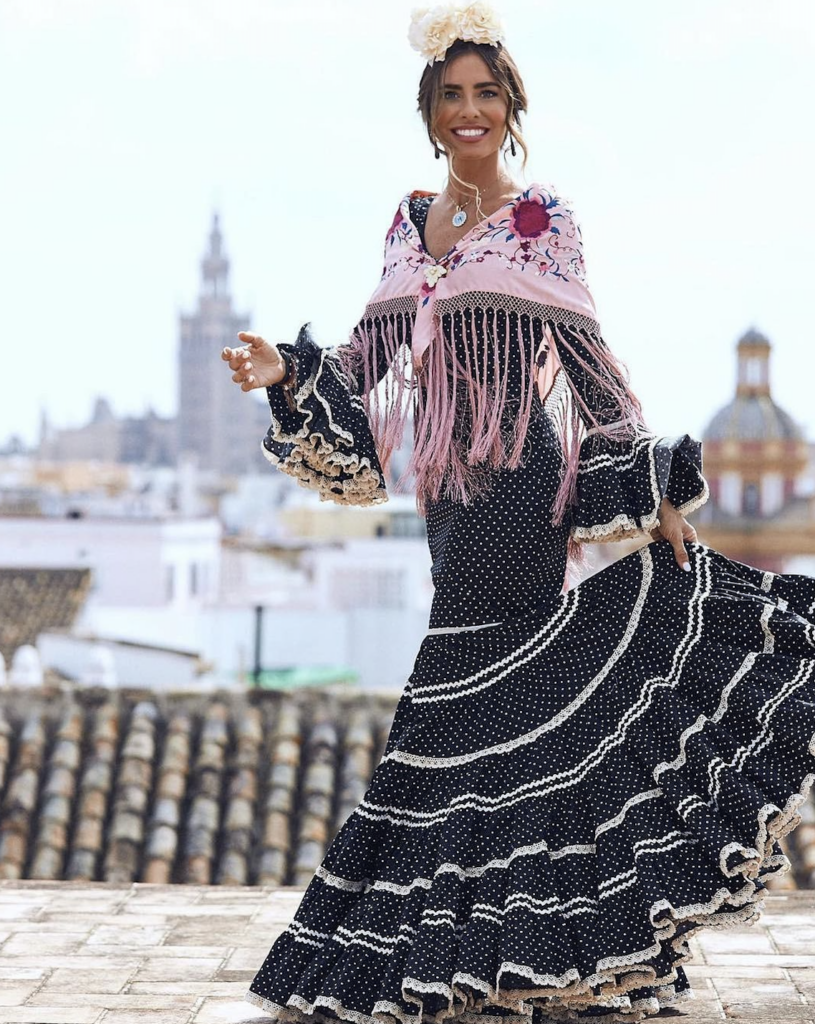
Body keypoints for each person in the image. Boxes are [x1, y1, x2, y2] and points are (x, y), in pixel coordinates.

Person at [224, 5, 815, 1022]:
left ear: (509, 108)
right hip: (443, 499)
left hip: (518, 491)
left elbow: (591, 378)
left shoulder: (541, 220)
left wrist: (652, 495)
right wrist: (288, 370)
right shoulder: (406, 224)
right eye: (450, 94)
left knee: (452, 705)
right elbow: (367, 373)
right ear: (429, 110)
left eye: (484, 94)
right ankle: (551, 950)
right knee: (512, 720)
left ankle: (488, 947)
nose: (467, 110)